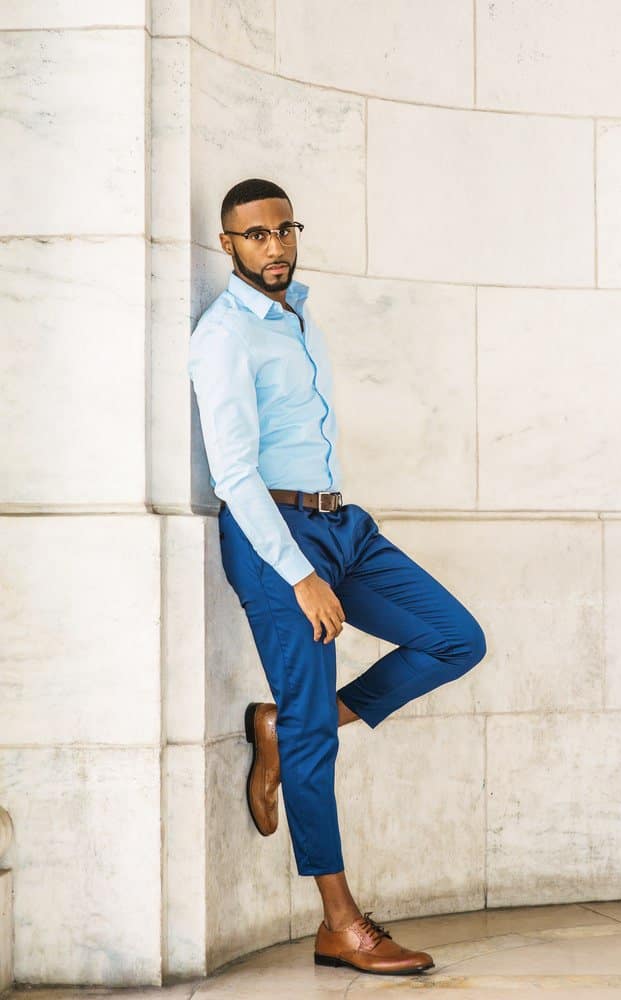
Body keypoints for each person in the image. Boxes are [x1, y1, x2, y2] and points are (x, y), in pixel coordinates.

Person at [188, 177, 487, 977]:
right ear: (229, 245)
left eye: (283, 230)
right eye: (255, 235)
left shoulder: (295, 315)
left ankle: (284, 729)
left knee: (455, 639)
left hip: (340, 523)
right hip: (275, 537)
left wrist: (330, 546)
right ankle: (338, 924)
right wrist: (297, 574)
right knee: (314, 732)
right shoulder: (225, 336)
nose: (274, 245)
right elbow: (234, 474)